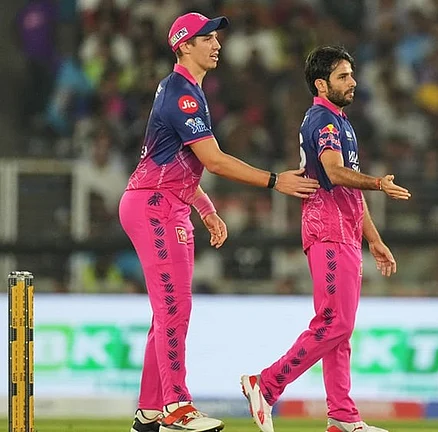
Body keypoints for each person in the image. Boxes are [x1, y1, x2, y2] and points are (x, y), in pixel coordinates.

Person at [120, 12, 319, 432]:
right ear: (183, 45)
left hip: (165, 201)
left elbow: (176, 164)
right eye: (206, 37)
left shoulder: (187, 90)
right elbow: (211, 160)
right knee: (175, 307)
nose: (216, 43)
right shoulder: (183, 95)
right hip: (155, 205)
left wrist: (206, 208)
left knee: (166, 312)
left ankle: (150, 410)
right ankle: (176, 406)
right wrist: (273, 180)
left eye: (216, 37)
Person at [239, 46, 411, 432]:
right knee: (333, 323)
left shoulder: (340, 121)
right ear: (321, 84)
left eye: (351, 74)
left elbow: (350, 188)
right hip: (328, 229)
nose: (353, 82)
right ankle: (264, 385)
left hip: (346, 230)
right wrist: (379, 183)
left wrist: (374, 239)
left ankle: (342, 417)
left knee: (341, 329)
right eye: (343, 76)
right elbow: (334, 173)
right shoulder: (324, 121)